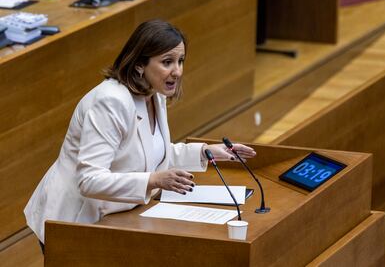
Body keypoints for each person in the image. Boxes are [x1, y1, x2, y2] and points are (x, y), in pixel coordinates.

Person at [24, 19, 256, 251]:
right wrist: (154, 180)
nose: (177, 71)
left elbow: (148, 154)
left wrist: (206, 152)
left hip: (118, 217)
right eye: (167, 62)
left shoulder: (154, 95)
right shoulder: (110, 102)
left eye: (180, 61)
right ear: (139, 65)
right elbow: (90, 180)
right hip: (76, 220)